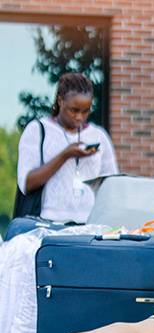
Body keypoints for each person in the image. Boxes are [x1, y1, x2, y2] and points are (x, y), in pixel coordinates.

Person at [17, 72, 118, 223]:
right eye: (74, 110)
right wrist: (66, 155)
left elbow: (112, 188)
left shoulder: (99, 136)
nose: (79, 117)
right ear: (60, 100)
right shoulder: (38, 130)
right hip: (47, 224)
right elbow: (26, 183)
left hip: (89, 226)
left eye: (86, 111)